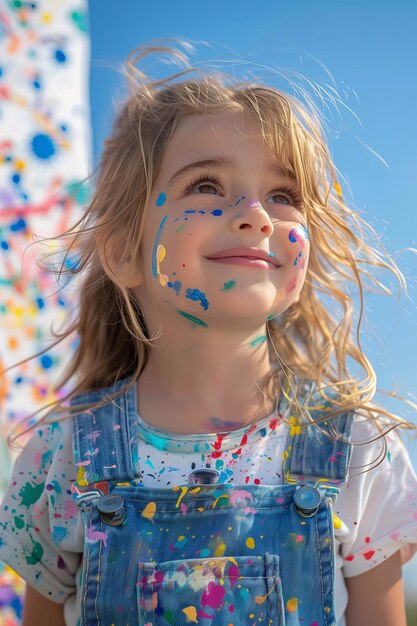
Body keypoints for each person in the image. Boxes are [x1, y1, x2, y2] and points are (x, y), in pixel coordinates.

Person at [0, 42, 417, 626]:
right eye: (205, 185)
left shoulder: (358, 452)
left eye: (283, 195)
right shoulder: (61, 460)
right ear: (123, 251)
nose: (256, 214)